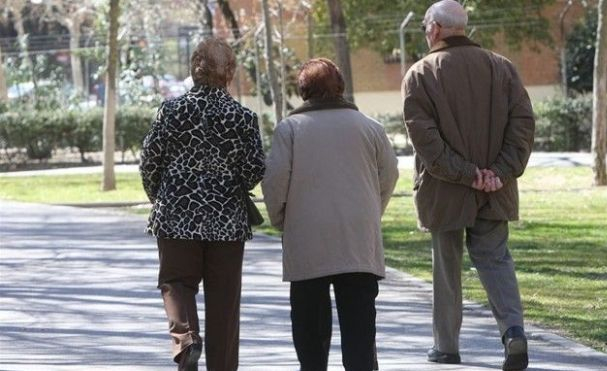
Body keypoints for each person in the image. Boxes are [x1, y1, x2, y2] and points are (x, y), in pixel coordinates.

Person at [401, 1, 535, 370]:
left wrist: (466, 173)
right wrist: (499, 172)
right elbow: (523, 124)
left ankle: (446, 346)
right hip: (496, 189)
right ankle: (513, 333)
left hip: (445, 190)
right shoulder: (502, 67)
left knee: (447, 267)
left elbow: (425, 140)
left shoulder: (420, 73)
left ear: (435, 29)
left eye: (426, 27)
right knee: (496, 261)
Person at [262, 58, 399, 371]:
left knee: (309, 323)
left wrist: (282, 220)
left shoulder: (290, 129)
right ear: (341, 87)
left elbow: (275, 180)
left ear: (304, 91)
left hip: (308, 236)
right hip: (357, 237)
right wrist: (372, 210)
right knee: (360, 324)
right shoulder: (370, 127)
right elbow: (389, 175)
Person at [139, 37, 265, 371]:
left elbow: (149, 160)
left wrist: (160, 196)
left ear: (194, 69)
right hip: (226, 221)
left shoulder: (171, 110)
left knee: (177, 284)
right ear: (230, 73)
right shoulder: (242, 117)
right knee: (224, 302)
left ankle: (186, 340)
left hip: (176, 216)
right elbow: (254, 169)